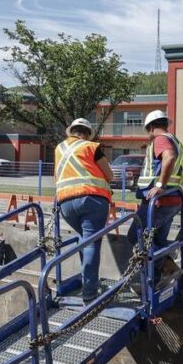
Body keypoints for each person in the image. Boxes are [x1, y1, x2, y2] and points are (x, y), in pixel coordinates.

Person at [54, 118, 115, 303]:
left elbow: (56, 176)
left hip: (66, 203)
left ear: (71, 131)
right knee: (91, 244)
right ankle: (89, 293)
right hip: (92, 200)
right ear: (88, 133)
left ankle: (86, 281)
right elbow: (109, 174)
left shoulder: (59, 149)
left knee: (84, 240)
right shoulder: (91, 147)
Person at [131, 109, 183, 291]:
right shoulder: (177, 141)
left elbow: (168, 156)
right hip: (173, 200)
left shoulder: (160, 139)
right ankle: (150, 285)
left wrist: (161, 185)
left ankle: (170, 268)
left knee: (135, 236)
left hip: (158, 202)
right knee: (157, 242)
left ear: (152, 127)